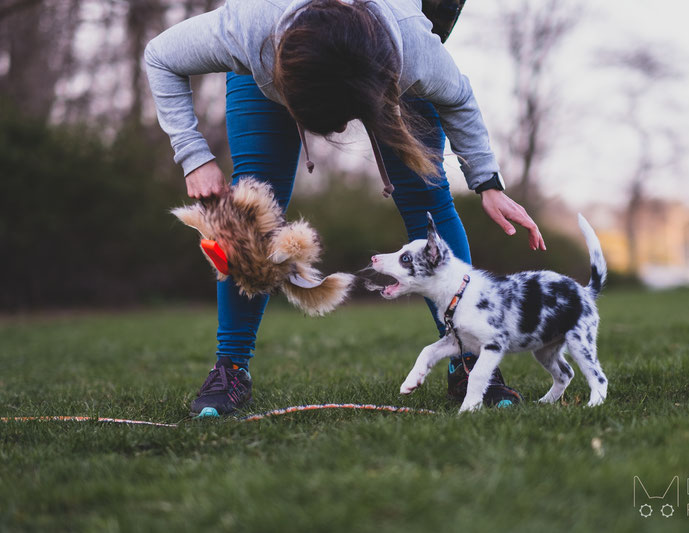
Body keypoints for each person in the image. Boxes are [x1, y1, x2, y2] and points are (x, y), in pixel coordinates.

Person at [144, 0, 546, 416]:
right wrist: (195, 157)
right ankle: (230, 368)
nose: (339, 130)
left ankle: (468, 358)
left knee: (427, 196)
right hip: (271, 57)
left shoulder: (411, 44)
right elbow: (160, 56)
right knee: (249, 215)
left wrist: (488, 183)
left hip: (385, 67)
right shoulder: (246, 27)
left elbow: (457, 97)